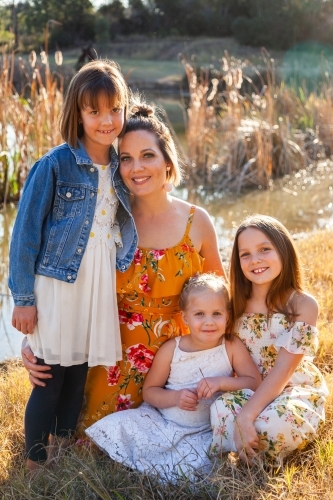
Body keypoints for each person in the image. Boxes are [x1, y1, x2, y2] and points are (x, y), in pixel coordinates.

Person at [20, 98, 226, 434]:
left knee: (193, 432)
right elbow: (64, 278)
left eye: (148, 156)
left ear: (167, 162)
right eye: (126, 159)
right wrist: (35, 342)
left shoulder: (197, 222)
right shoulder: (107, 219)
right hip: (111, 352)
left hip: (182, 356)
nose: (136, 168)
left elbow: (220, 298)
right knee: (95, 438)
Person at [9, 59, 137, 471]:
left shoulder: (122, 166)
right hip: (58, 284)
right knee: (51, 375)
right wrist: (23, 298)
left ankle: (62, 446)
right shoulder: (55, 165)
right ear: (77, 113)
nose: (106, 120)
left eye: (114, 109)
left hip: (97, 282)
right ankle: (34, 462)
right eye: (94, 111)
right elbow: (24, 236)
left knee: (78, 371)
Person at [85, 274, 261, 481]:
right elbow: (150, 391)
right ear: (185, 318)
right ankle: (137, 461)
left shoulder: (230, 346)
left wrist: (221, 382)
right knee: (120, 424)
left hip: (205, 431)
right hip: (165, 423)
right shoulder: (172, 348)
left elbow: (254, 382)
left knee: (197, 468)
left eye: (217, 314)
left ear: (228, 316)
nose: (209, 322)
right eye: (199, 314)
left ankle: (162, 467)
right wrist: (175, 398)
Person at [210, 215, 329, 465]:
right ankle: (246, 446)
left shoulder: (302, 304)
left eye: (265, 249)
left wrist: (246, 416)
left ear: (283, 249)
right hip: (250, 387)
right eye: (245, 254)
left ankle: (253, 452)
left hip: (291, 387)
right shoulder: (235, 304)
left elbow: (284, 370)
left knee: (273, 424)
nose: (255, 260)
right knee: (219, 411)